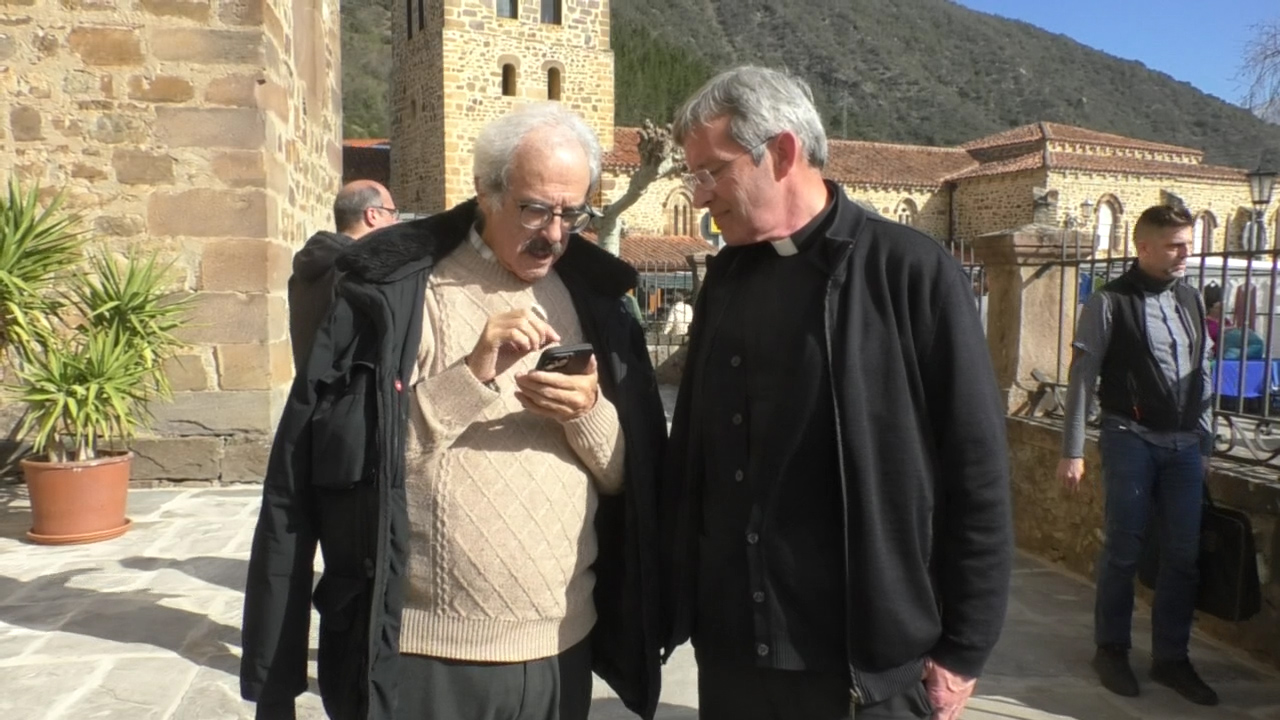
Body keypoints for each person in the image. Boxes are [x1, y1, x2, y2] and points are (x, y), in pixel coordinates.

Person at [241, 103, 668, 720]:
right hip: (428, 660)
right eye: (535, 209)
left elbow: (629, 478)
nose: (554, 234)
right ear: (486, 191)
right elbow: (348, 471)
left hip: (562, 649)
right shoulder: (399, 293)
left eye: (572, 214)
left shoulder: (592, 299)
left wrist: (588, 413)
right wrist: (470, 377)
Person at [661, 65, 1013, 720]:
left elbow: (978, 469)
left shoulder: (911, 273)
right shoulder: (726, 280)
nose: (699, 195)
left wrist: (965, 649)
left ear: (782, 152)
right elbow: (695, 455)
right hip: (734, 655)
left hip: (864, 667)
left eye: (711, 172)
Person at [1057, 204, 1217, 706]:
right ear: (1143, 247)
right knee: (1123, 549)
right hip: (1129, 436)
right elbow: (1082, 376)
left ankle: (1172, 658)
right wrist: (1072, 450)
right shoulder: (1109, 302)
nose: (1185, 253)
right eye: (1174, 245)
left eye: (1188, 243)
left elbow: (1203, 372)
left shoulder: (1191, 299)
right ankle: (1111, 649)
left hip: (1184, 445)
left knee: (1183, 556)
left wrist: (1205, 441)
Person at [288, 179, 400, 375]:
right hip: (349, 390)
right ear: (372, 215)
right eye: (392, 213)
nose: (396, 222)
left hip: (310, 388)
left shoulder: (307, 268)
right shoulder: (360, 273)